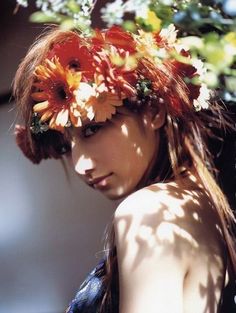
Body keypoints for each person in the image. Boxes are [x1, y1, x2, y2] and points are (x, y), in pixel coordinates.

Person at [13, 25, 236, 313]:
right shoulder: (205, 206)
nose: (80, 165)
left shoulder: (149, 212)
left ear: (153, 111)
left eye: (92, 129)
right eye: (67, 145)